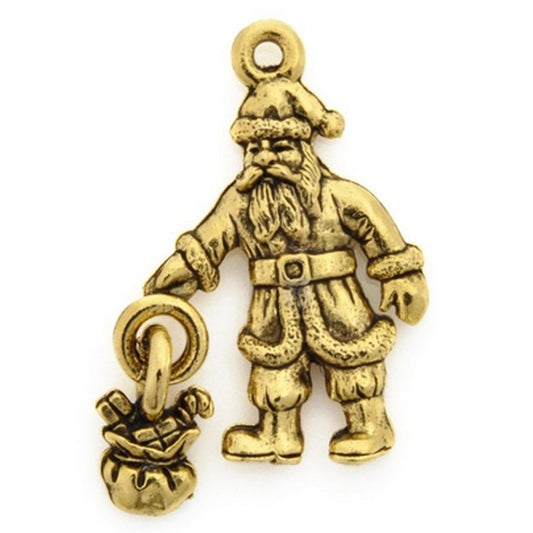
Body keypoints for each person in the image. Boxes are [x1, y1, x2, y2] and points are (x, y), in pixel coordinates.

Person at [144, 74, 428, 465]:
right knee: (274, 370)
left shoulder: (338, 195)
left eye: (279, 148)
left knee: (354, 363)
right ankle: (277, 434)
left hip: (339, 300)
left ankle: (370, 426)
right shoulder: (239, 203)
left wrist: (401, 275)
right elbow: (208, 241)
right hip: (272, 306)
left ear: (304, 149)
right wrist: (178, 274)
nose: (264, 159)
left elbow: (374, 226)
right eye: (254, 149)